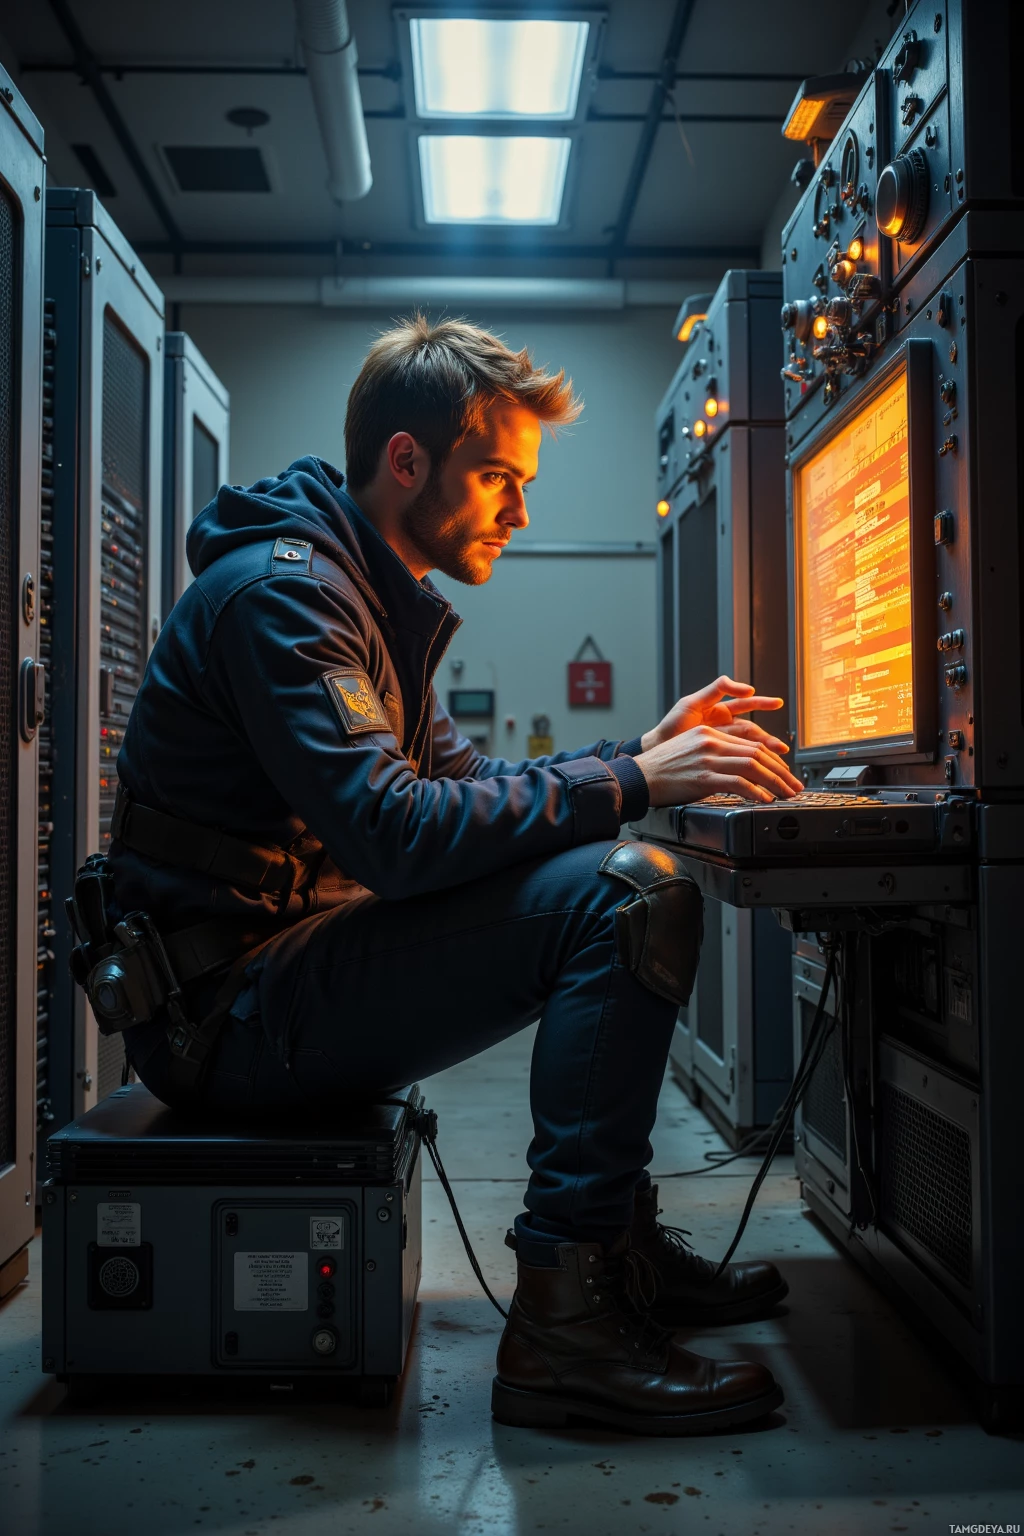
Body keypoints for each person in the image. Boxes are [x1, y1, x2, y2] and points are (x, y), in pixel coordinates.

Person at [107, 315, 803, 1436]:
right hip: (223, 1013)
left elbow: (471, 792)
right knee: (630, 892)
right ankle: (564, 1331)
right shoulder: (286, 596)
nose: (520, 511)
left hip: (269, 973)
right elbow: (396, 835)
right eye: (497, 477)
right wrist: (633, 777)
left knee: (612, 866)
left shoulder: (368, 596)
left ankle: (610, 1256)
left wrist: (635, 755)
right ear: (405, 461)